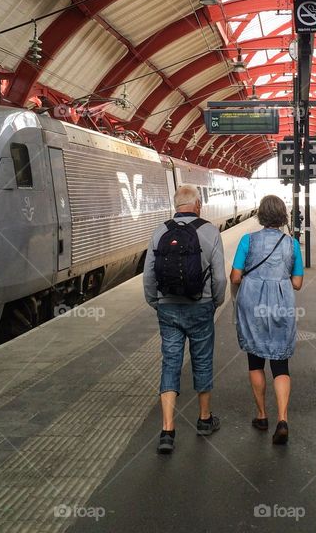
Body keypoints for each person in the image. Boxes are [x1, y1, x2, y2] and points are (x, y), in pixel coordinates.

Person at [143, 184, 226, 454]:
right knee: (202, 360)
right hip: (200, 306)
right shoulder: (210, 230)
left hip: (168, 308)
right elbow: (220, 277)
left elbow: (149, 276)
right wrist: (215, 301)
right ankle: (204, 419)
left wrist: (155, 301)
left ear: (175, 205)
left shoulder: (160, 231)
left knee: (171, 362)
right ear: (198, 204)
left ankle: (167, 430)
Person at [230, 195, 303, 445]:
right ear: (283, 216)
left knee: (255, 361)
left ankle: (262, 416)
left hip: (252, 306)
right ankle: (283, 419)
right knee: (280, 364)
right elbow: (298, 282)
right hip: (281, 305)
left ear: (260, 214)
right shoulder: (291, 244)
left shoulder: (247, 241)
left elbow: (236, 276)